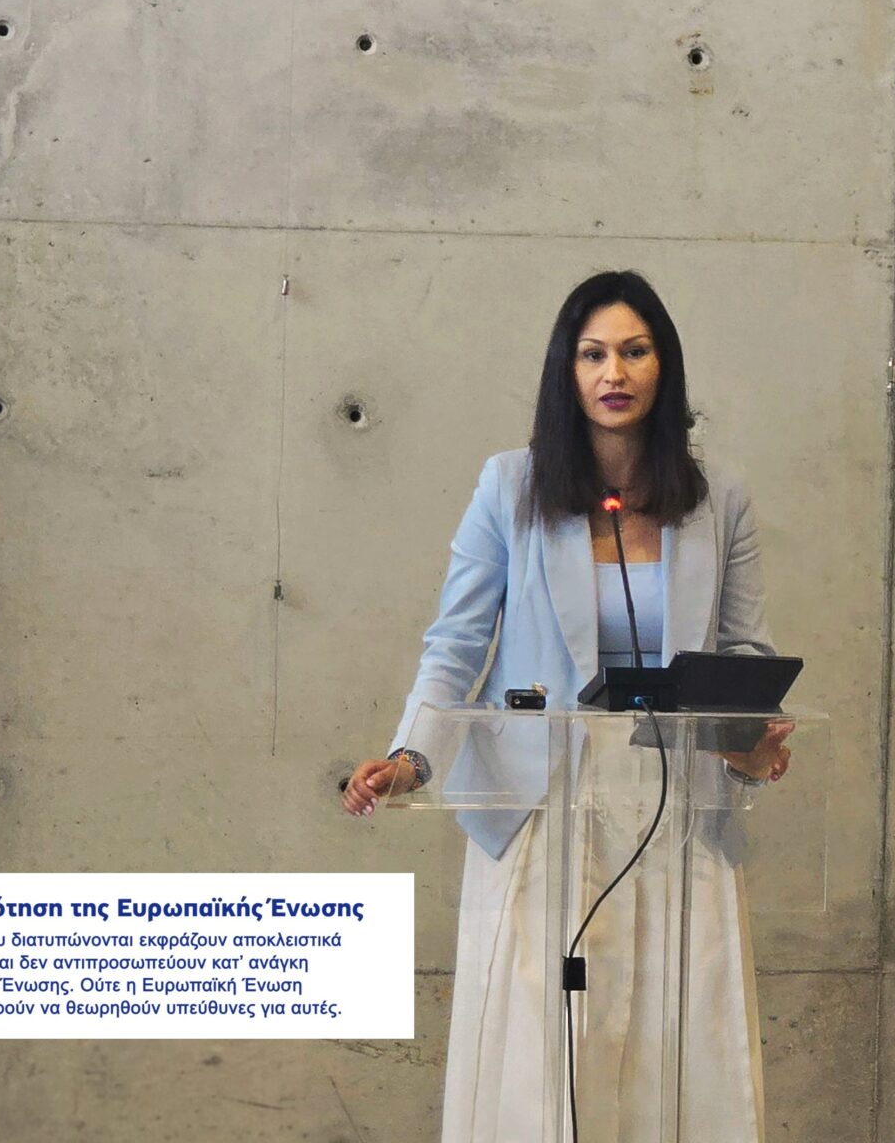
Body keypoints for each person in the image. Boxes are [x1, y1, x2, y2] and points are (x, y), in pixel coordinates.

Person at [341, 270, 794, 1142]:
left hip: (678, 810)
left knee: (677, 1049)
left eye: (634, 351)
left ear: (664, 368)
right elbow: (456, 644)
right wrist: (411, 759)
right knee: (546, 1057)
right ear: (567, 370)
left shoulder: (719, 499)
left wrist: (752, 742)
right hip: (542, 805)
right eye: (593, 354)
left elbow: (745, 653)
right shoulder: (508, 486)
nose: (613, 372)